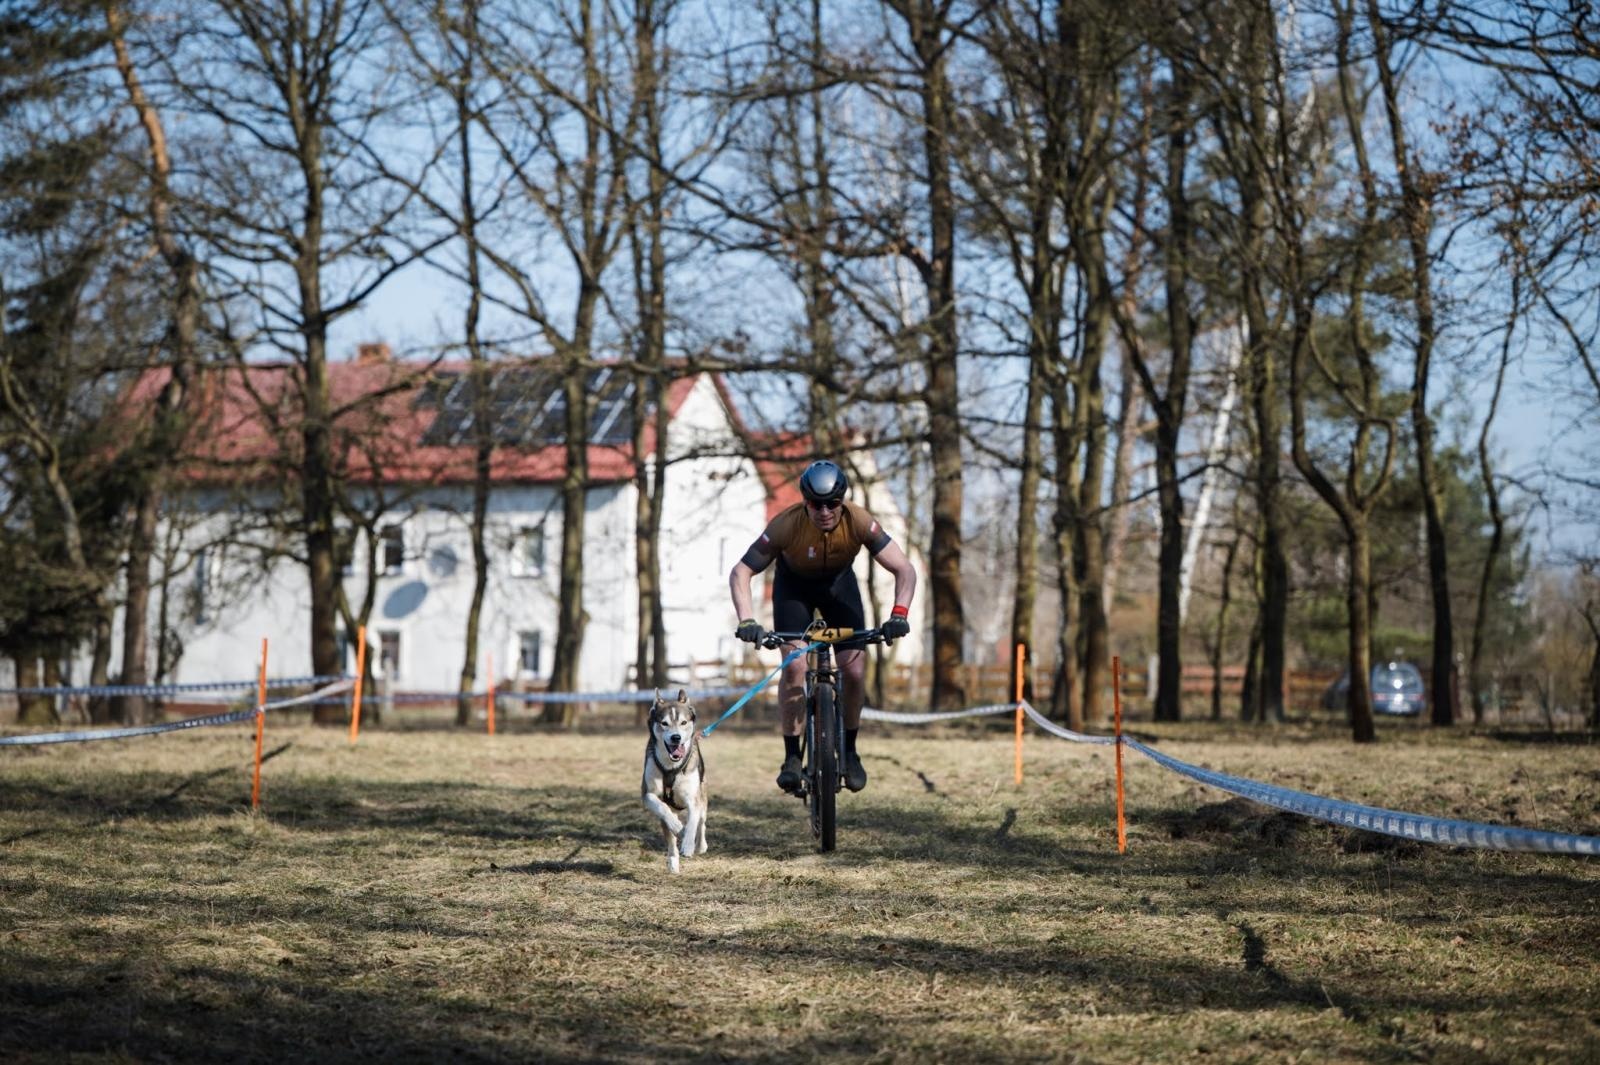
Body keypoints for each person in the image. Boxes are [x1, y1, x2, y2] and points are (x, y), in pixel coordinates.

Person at [728, 459, 917, 793]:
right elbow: (741, 572)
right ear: (806, 501)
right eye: (817, 504)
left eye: (833, 503)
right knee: (794, 666)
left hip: (839, 588)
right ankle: (790, 757)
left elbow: (904, 569)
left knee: (855, 671)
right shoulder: (786, 525)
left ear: (842, 501)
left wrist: (899, 614)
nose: (825, 511)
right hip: (794, 590)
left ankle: (850, 750)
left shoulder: (859, 521)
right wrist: (747, 620)